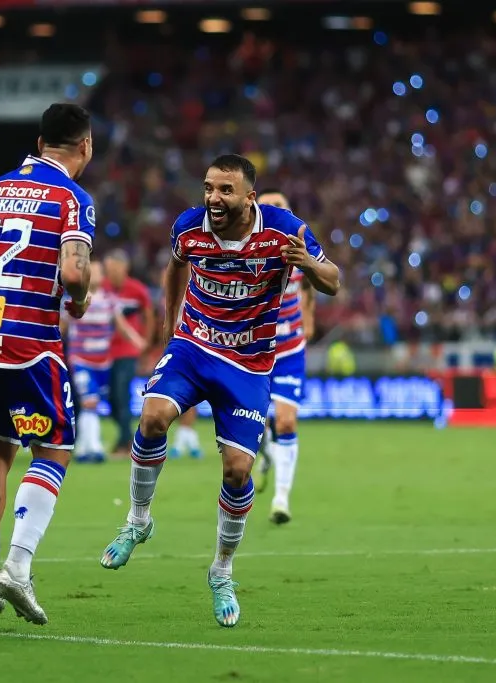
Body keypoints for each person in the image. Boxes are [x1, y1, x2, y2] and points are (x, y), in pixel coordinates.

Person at [98, 154, 340, 628]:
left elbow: (334, 281)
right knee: (151, 418)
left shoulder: (285, 229)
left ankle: (221, 569)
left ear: (249, 197)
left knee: (236, 473)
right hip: (193, 347)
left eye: (225, 190)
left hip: (248, 365)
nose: (213, 198)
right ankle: (138, 519)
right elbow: (175, 268)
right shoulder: (188, 227)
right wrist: (170, 325)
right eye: (209, 187)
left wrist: (308, 263)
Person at [0, 102, 95, 624]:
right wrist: (79, 299)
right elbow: (74, 274)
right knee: (55, 448)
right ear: (85, 147)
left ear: (38, 144)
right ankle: (18, 567)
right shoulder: (71, 197)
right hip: (31, 340)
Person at [251, 188, 316, 524]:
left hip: (289, 350)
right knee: (254, 424)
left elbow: (310, 285)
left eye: (281, 205)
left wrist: (308, 317)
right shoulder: (250, 252)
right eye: (269, 206)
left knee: (287, 420)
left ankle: (281, 499)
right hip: (254, 351)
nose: (276, 210)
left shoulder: (301, 249)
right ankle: (265, 445)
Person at [64, 261, 146, 463]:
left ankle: (84, 445)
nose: (95, 275)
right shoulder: (73, 300)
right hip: (80, 359)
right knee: (89, 401)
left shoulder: (110, 300)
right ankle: (93, 448)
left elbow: (122, 326)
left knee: (92, 403)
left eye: (98, 272)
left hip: (103, 362)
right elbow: (61, 328)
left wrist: (139, 343)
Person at [103, 249, 154, 458]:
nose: (111, 273)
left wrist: (146, 345)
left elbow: (149, 317)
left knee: (121, 395)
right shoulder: (102, 288)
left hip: (127, 350)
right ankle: (126, 437)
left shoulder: (137, 290)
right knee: (111, 398)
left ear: (125, 268)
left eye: (114, 268)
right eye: (108, 269)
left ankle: (125, 443)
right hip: (102, 352)